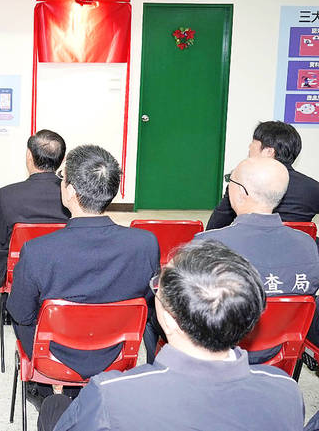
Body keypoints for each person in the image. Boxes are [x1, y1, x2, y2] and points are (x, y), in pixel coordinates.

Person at [40, 240, 304, 431]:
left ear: (168, 317)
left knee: (55, 406)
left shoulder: (111, 394)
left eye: (159, 286)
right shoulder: (286, 390)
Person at [7, 145, 158, 402]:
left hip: (54, 357)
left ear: (71, 192)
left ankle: (46, 391)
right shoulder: (145, 243)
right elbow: (147, 300)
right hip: (118, 355)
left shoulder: (38, 250)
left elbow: (21, 312)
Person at [196, 156, 319, 358]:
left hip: (221, 351)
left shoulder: (208, 244)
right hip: (279, 350)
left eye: (230, 181)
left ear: (241, 193)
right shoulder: (308, 244)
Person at [0, 129, 70, 322]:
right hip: (62, 266)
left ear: (28, 156)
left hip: (19, 268)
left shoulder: (8, 194)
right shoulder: (71, 195)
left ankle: (5, 301)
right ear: (62, 158)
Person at [207, 121, 319, 229]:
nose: (249, 148)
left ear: (269, 151)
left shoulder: (242, 183)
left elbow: (215, 228)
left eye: (253, 144)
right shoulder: (313, 188)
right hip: (297, 247)